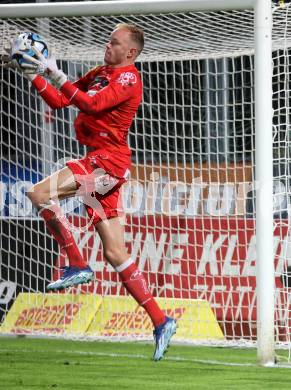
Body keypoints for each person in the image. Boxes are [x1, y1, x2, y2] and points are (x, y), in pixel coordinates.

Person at [6, 24, 176, 361]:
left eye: (114, 43)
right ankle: (161, 320)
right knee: (115, 254)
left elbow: (91, 105)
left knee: (40, 194)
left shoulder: (127, 77)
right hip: (99, 161)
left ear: (130, 52)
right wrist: (33, 73)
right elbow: (59, 100)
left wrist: (52, 71)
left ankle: (77, 263)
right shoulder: (100, 71)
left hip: (106, 162)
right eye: (108, 40)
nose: (107, 45)